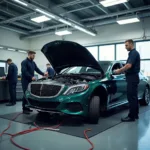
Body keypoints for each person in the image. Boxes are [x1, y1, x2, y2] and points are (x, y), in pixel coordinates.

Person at [113, 39, 140, 122]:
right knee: (134, 97)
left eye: (126, 45)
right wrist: (124, 70)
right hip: (133, 77)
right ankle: (135, 115)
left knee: (131, 98)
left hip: (132, 78)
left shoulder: (133, 53)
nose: (125, 47)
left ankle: (131, 117)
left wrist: (118, 71)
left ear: (131, 44)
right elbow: (128, 67)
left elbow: (128, 65)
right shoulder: (134, 53)